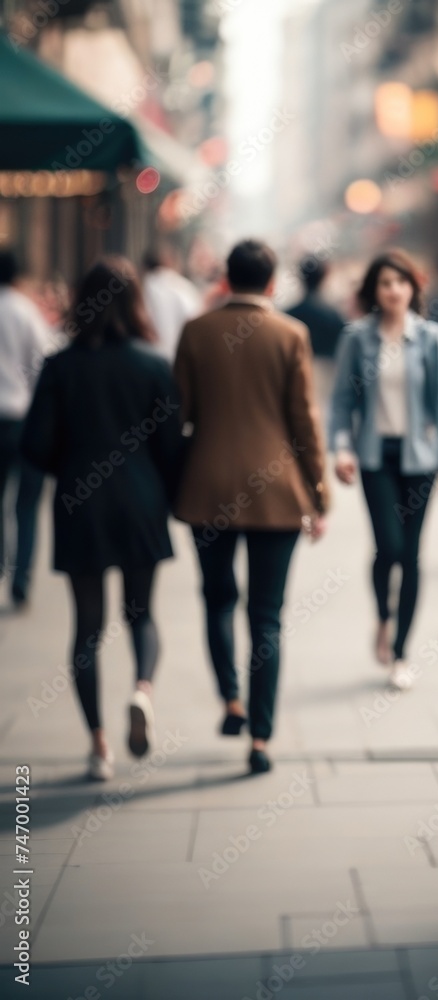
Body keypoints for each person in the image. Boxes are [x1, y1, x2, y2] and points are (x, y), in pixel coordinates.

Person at [21, 257, 183, 781]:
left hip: (80, 504)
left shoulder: (61, 367)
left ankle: (98, 746)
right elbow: (171, 447)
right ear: (135, 302)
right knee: (142, 613)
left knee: (87, 628)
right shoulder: (153, 365)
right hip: (140, 501)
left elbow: (36, 447)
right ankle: (142, 690)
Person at [173, 239, 329, 775]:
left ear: (225, 277)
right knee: (266, 617)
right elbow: (304, 421)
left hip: (207, 487)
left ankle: (231, 700)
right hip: (276, 491)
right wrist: (320, 493)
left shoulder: (196, 332)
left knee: (217, 599)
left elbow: (179, 416)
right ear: (271, 282)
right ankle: (261, 738)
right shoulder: (291, 335)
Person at [329, 249, 438, 692]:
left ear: (413, 288)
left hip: (419, 460)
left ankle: (402, 653)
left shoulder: (430, 338)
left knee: (411, 555)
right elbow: (342, 403)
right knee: (387, 547)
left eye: (402, 282)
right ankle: (383, 620)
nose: (394, 291)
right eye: (385, 283)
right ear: (374, 291)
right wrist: (341, 449)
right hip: (374, 457)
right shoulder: (356, 338)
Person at [0, 250, 52, 607]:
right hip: (24, 420)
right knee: (27, 505)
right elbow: (44, 362)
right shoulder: (24, 310)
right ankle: (21, 579)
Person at [287, 257, 346, 408]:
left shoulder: (288, 315)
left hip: (294, 375)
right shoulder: (334, 315)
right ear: (325, 276)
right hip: (327, 375)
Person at [142, 246, 202, 360]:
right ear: (168, 260)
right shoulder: (182, 286)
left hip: (150, 356)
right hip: (179, 356)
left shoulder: (143, 286)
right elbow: (194, 316)